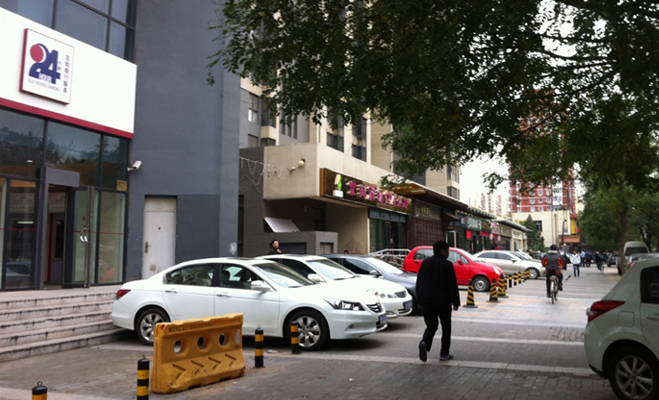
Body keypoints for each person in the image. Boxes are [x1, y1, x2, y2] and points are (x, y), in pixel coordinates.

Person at [416, 240, 460, 362]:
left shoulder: (425, 263)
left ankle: (425, 342)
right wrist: (455, 302)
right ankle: (444, 353)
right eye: (447, 250)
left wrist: (420, 298)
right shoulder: (447, 264)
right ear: (442, 250)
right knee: (446, 327)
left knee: (431, 325)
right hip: (443, 301)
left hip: (427, 301)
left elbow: (420, 281)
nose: (448, 253)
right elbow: (452, 284)